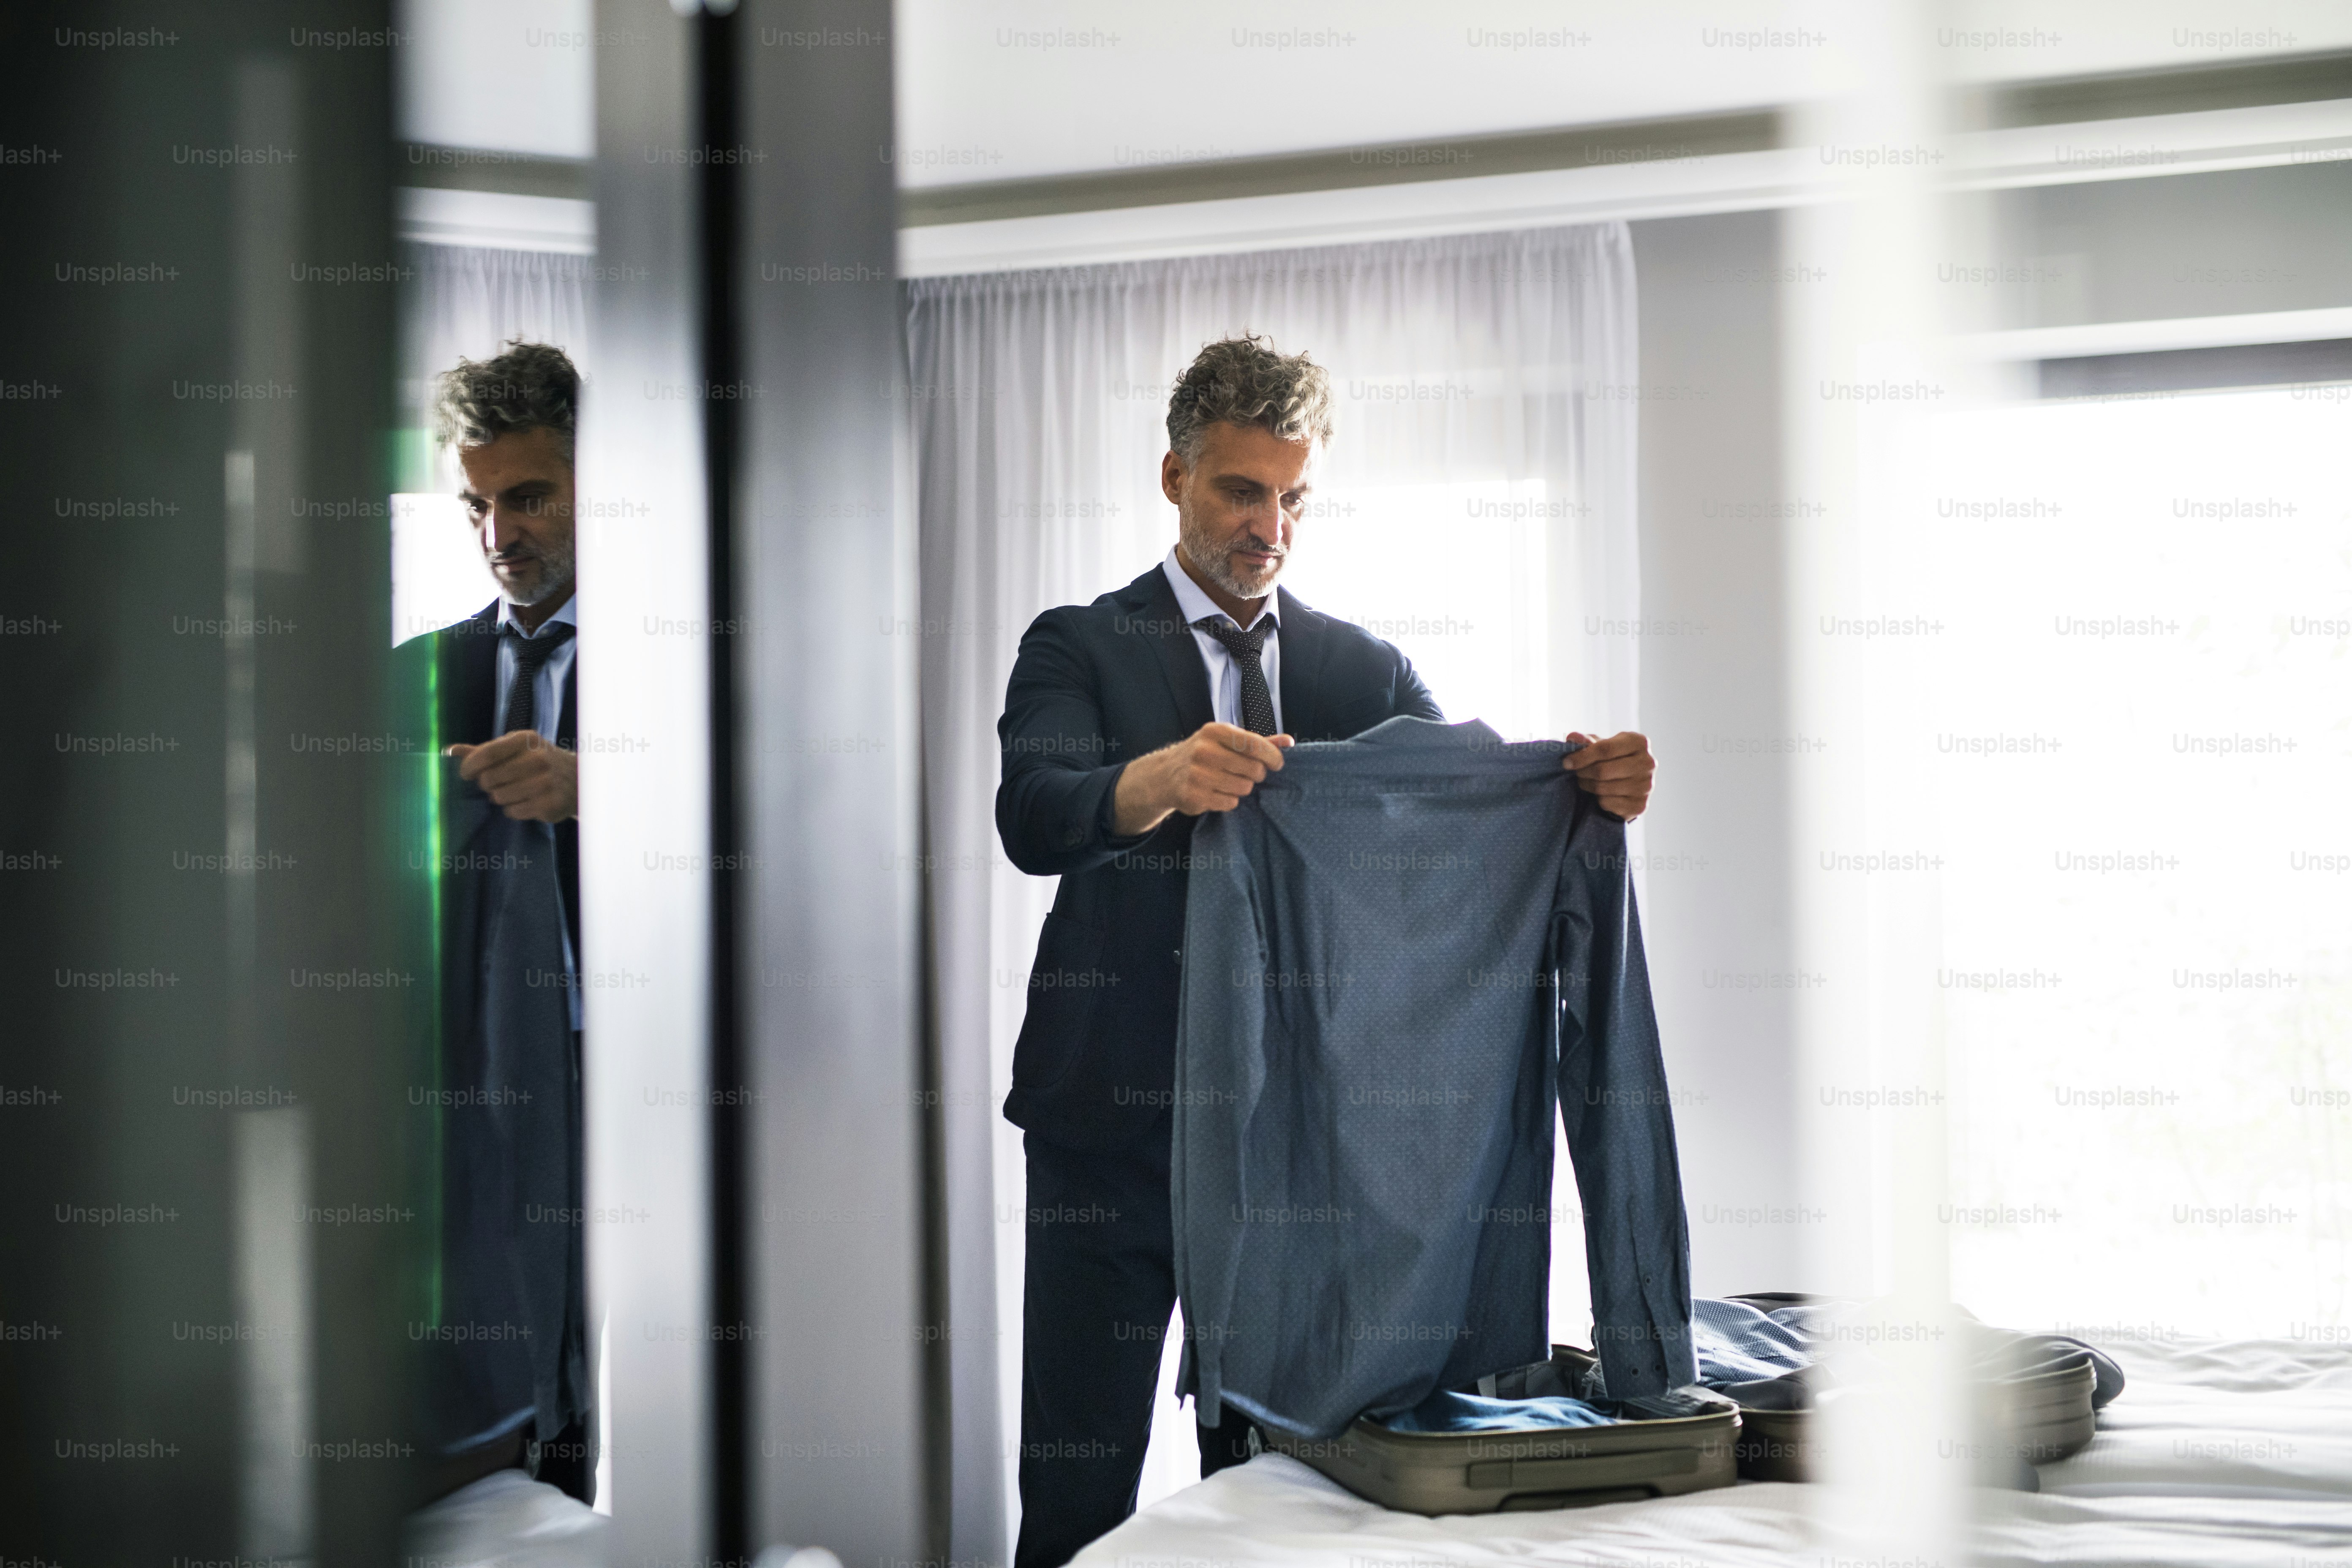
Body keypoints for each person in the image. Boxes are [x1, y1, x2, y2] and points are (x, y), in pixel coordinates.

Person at [994, 335, 1656, 1567]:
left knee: (1279, 1495)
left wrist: (1579, 788)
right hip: (1108, 1129)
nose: (1270, 527)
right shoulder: (1075, 644)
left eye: (1294, 497)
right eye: (1243, 491)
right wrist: (1160, 778)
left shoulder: (1364, 667)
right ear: (1173, 478)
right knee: (1077, 1484)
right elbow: (1032, 813)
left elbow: (1461, 817)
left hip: (1300, 1148)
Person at [400, 340, 593, 1505]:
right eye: (477, 506)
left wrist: (608, 793)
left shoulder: (703, 665)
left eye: (528, 497)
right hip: (467, 1078)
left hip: (660, 1083)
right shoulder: (411, 676)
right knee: (490, 1346)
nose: (499, 534)